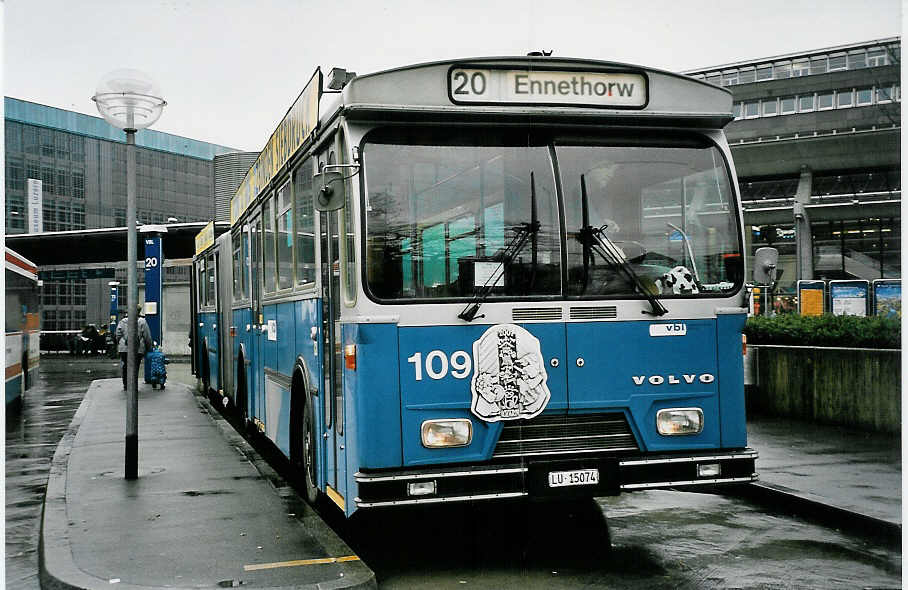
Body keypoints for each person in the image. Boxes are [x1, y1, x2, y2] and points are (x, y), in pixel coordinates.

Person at [116, 305, 152, 391]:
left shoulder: (122, 321)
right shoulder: (142, 322)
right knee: (135, 367)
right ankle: (133, 385)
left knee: (126, 366)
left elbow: (117, 334)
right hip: (138, 349)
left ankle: (126, 385)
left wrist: (119, 344)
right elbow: (147, 336)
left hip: (124, 349)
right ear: (139, 311)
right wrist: (148, 347)